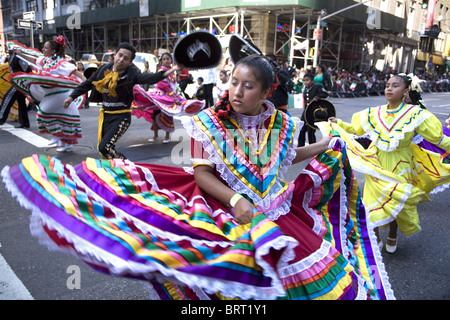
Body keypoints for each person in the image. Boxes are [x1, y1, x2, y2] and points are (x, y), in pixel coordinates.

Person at [1, 54, 393, 300]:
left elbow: (290, 156)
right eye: (233, 82)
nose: (237, 91)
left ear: (266, 91)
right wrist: (236, 200)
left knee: (292, 284)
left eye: (247, 86)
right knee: (222, 288)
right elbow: (202, 174)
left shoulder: (284, 125)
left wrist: (325, 145)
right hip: (225, 215)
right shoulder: (208, 124)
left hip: (274, 214)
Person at [327, 74, 450, 253]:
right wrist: (338, 123)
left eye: (395, 85)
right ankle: (375, 236)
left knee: (394, 201)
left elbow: (437, 138)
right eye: (387, 85)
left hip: (401, 164)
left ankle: (393, 233)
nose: (389, 89)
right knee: (370, 201)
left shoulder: (416, 114)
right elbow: (356, 129)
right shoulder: (375, 113)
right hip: (376, 163)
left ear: (406, 91)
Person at [63, 43, 181, 159]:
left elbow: (150, 79)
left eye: (126, 58)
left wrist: (173, 69)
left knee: (104, 148)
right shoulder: (104, 69)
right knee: (105, 149)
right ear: (115, 55)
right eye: (120, 55)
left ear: (130, 62)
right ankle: (114, 170)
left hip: (121, 117)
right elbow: (87, 84)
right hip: (105, 116)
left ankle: (125, 164)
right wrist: (71, 97)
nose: (121, 59)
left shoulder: (132, 74)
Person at [10, 37, 86, 152]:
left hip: (60, 94)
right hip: (49, 94)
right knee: (61, 119)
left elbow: (77, 73)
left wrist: (87, 83)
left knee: (42, 113)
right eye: (44, 47)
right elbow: (33, 59)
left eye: (46, 47)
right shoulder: (45, 60)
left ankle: (57, 136)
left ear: (53, 51)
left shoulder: (61, 62)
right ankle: (65, 143)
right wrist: (20, 53)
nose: (43, 49)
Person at [132, 52, 204, 144]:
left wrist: (176, 96)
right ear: (162, 61)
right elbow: (162, 84)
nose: (166, 60)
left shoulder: (172, 71)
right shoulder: (161, 70)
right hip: (161, 96)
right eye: (164, 59)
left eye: (167, 59)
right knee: (154, 115)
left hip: (170, 96)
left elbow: (173, 85)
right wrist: (173, 97)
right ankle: (155, 135)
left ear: (171, 60)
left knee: (168, 116)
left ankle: (167, 136)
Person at [0, 51, 32, 128]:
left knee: (7, 98)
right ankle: (24, 122)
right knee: (21, 102)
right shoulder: (11, 57)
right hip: (17, 81)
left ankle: (1, 118)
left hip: (19, 82)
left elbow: (27, 69)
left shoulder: (18, 57)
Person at [298, 73, 328, 146]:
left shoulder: (317, 86)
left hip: (313, 112)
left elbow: (325, 93)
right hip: (306, 111)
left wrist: (317, 97)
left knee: (310, 130)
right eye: (304, 80)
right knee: (301, 128)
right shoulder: (305, 89)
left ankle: (312, 146)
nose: (305, 82)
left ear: (312, 81)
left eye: (307, 80)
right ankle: (300, 145)